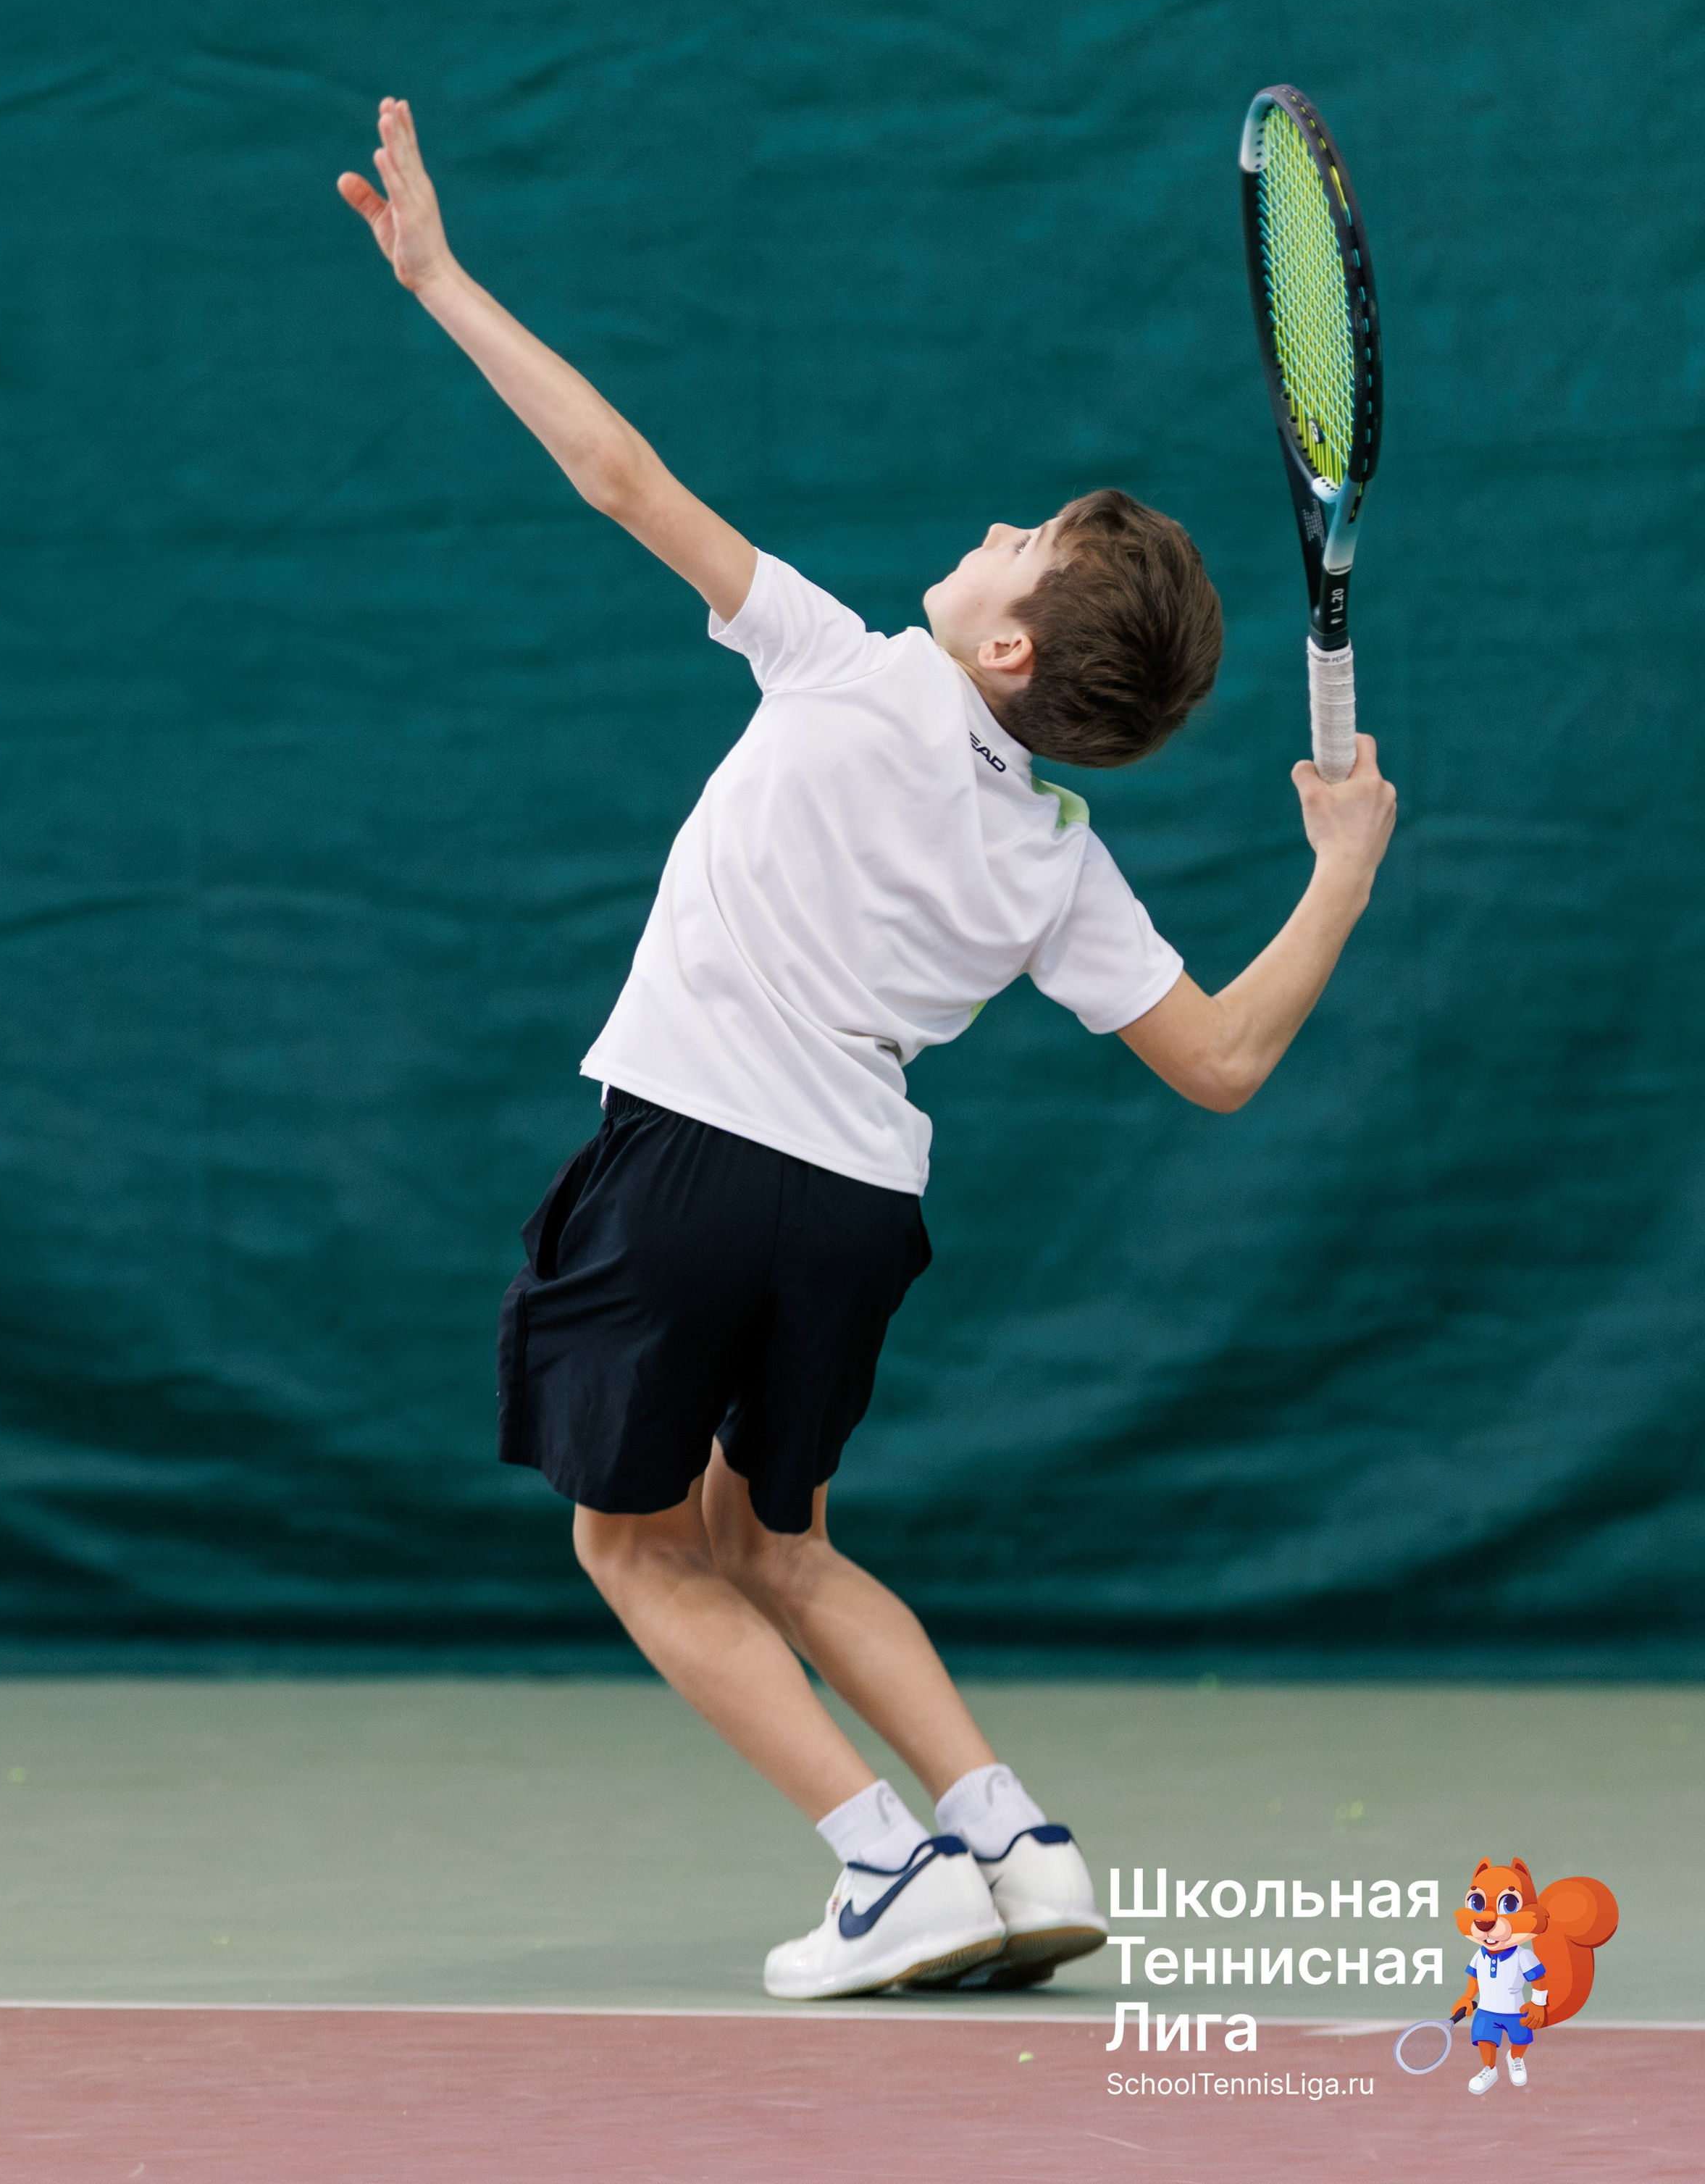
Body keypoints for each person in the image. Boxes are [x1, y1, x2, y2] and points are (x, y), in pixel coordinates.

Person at [340, 98, 1399, 2000]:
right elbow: (1226, 1059)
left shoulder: (849, 661)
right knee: (777, 1540)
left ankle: (883, 1867)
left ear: (1007, 652)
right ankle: (1012, 1836)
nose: (993, 532)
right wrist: (1337, 876)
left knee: (638, 1553)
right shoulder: (1058, 854)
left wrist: (443, 281)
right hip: (852, 1217)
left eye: (1021, 546)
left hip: (687, 1175)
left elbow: (615, 471)